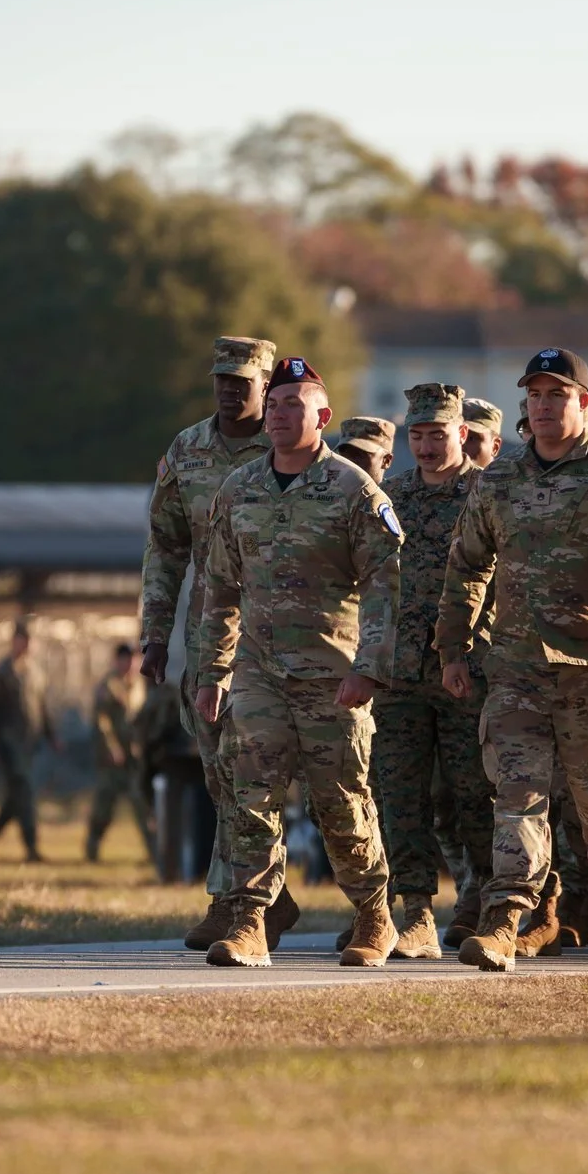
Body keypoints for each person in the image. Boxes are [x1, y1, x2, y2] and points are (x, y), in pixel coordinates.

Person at [440, 347, 588, 972]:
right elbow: (466, 565)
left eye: (556, 395)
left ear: (583, 404)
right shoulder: (500, 479)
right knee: (516, 795)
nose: (543, 406)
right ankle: (504, 919)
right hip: (515, 667)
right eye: (535, 395)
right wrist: (454, 646)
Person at [192, 357, 402, 967]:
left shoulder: (353, 491)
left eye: (294, 405)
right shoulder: (241, 488)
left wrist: (370, 667)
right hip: (258, 673)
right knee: (249, 794)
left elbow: (386, 586)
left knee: (340, 802)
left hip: (332, 673)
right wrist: (212, 672)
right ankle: (250, 919)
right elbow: (220, 589)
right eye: (275, 404)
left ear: (323, 417)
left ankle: (373, 913)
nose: (280, 415)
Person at [138, 336, 277, 941]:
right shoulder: (187, 450)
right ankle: (243, 897)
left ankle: (252, 897)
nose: (229, 389)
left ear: (266, 386)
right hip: (208, 635)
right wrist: (154, 635)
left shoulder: (287, 448)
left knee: (266, 771)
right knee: (220, 768)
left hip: (280, 634)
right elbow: (165, 549)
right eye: (222, 378)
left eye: (242, 381)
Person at [370, 382, 494, 958]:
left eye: (436, 434)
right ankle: (415, 911)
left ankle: (484, 899)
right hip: (399, 672)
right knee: (401, 794)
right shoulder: (388, 497)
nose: (425, 445)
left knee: (474, 794)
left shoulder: (489, 493)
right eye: (416, 434)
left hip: (471, 668)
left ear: (462, 435)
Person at [0, 621, 57, 861]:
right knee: (25, 793)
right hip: (9, 745)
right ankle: (31, 847)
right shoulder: (1, 673)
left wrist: (51, 736)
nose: (26, 645)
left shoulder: (35, 672)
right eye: (22, 639)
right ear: (15, 641)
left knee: (15, 799)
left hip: (29, 745)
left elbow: (41, 709)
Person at [85, 642, 149, 862]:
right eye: (127, 659)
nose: (131, 664)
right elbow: (102, 722)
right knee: (104, 806)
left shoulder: (141, 685)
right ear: (118, 660)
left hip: (134, 758)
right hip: (112, 760)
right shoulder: (108, 686)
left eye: (134, 659)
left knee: (142, 805)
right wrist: (112, 748)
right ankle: (92, 846)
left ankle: (155, 853)